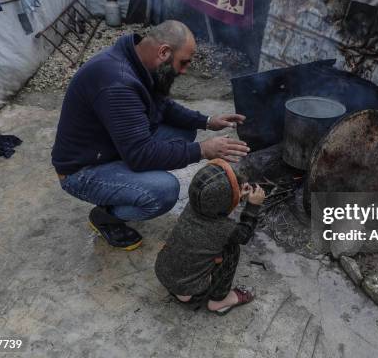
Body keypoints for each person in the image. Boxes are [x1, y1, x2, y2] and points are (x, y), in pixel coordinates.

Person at [51, 20, 250, 251]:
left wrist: (206, 121)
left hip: (111, 147)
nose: (184, 70)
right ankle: (106, 215)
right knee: (164, 190)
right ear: (164, 51)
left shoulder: (138, 60)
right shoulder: (118, 83)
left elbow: (164, 107)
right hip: (82, 170)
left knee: (185, 131)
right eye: (183, 63)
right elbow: (140, 154)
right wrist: (203, 150)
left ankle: (126, 183)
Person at [155, 159, 265, 315]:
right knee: (231, 249)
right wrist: (253, 207)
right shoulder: (224, 229)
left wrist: (236, 196)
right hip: (192, 292)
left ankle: (184, 291)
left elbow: (215, 206)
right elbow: (244, 235)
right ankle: (219, 301)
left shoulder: (193, 205)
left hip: (165, 274)